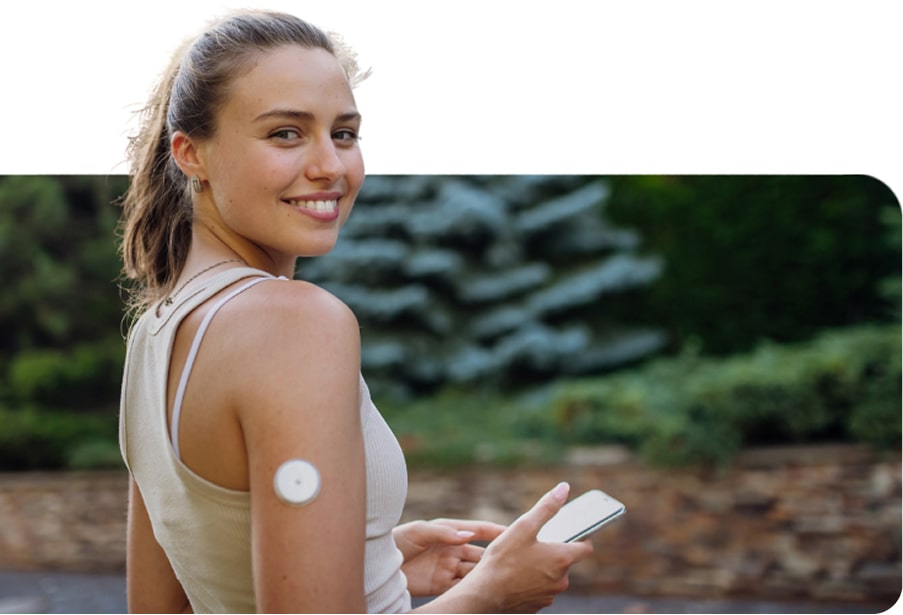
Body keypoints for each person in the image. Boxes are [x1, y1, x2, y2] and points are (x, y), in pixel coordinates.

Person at [118, 8, 594, 613]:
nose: (331, 166)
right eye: (285, 133)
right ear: (190, 154)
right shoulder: (295, 323)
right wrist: (490, 593)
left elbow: (182, 592)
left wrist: (375, 559)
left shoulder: (154, 331)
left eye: (343, 133)